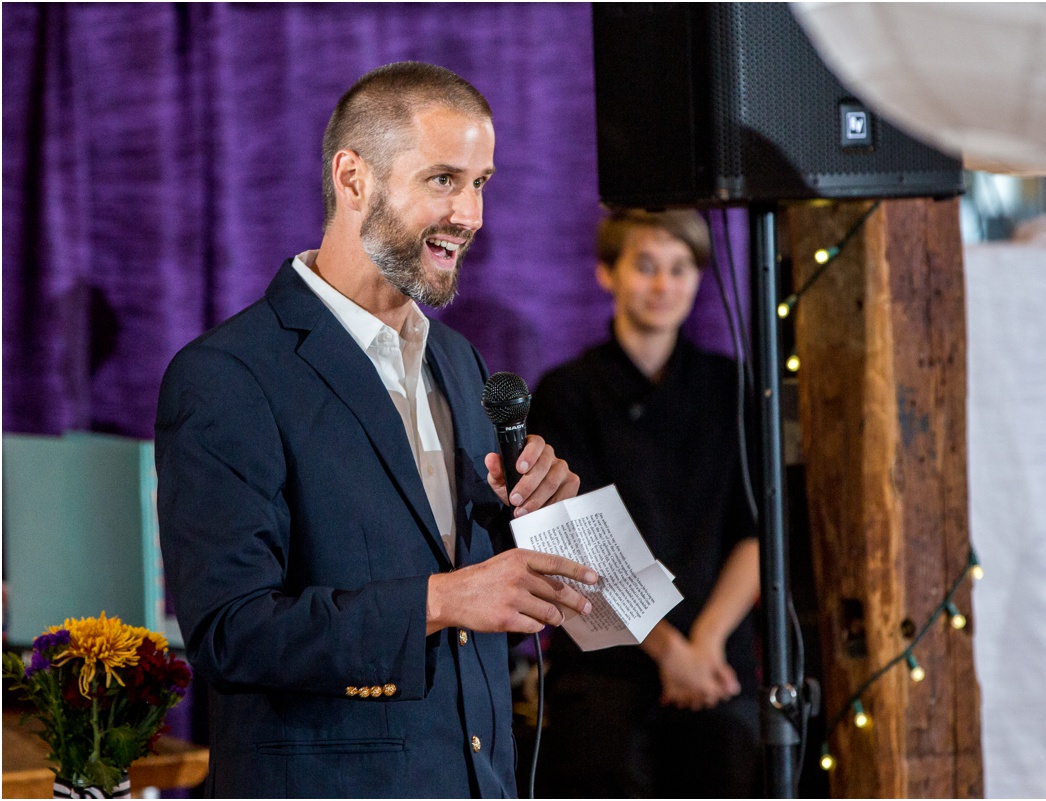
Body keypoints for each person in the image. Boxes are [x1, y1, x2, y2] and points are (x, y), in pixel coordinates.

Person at [155, 61, 598, 798]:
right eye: (444, 180)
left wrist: (535, 533)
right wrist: (445, 597)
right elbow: (231, 634)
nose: (471, 214)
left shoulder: (460, 360)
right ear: (353, 178)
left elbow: (479, 618)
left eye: (482, 182)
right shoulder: (227, 376)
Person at [528, 209, 762, 798]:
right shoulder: (567, 393)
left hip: (717, 671)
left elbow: (756, 532)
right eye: (646, 267)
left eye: (680, 269)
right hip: (610, 669)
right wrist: (668, 651)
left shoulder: (731, 388)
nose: (663, 286)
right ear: (609, 274)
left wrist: (703, 643)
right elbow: (572, 543)